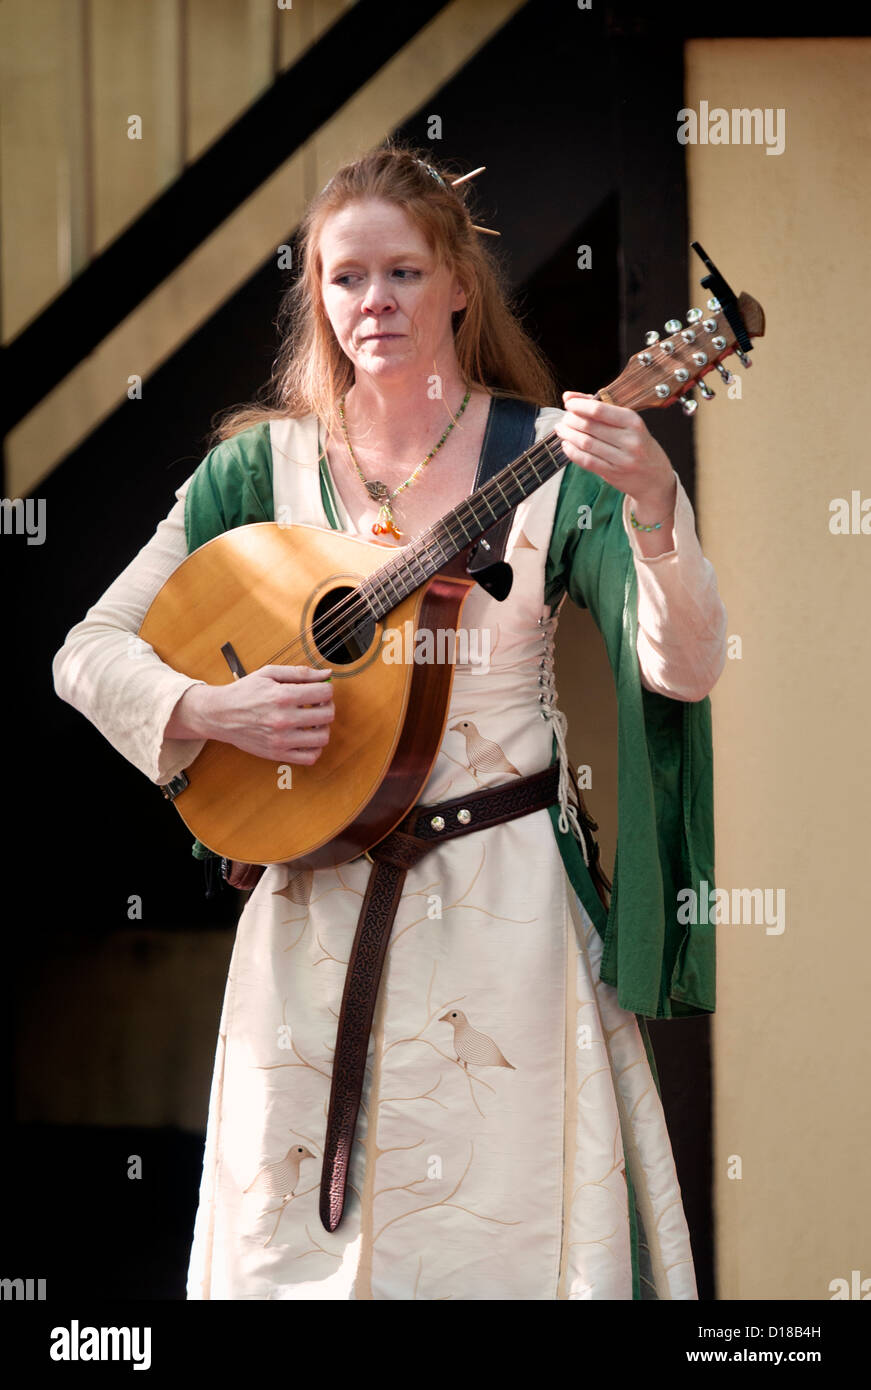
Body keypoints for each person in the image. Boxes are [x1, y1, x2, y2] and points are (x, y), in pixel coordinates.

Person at [52, 143, 727, 1300]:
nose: (374, 303)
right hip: (308, 919)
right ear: (316, 293)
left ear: (459, 282)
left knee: (498, 1248)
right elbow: (87, 653)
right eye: (345, 277)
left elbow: (686, 668)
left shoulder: (545, 459)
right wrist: (217, 706)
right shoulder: (256, 472)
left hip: (503, 918)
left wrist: (657, 513)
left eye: (403, 274)